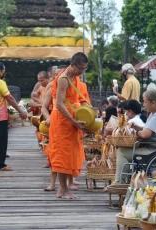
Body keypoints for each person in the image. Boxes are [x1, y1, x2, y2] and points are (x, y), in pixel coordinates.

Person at [49, 52, 88, 199]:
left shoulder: (75, 78)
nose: (81, 71)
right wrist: (73, 120)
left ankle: (64, 188)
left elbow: (77, 98)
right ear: (72, 65)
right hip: (62, 121)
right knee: (62, 155)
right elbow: (59, 104)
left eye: (84, 69)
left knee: (70, 154)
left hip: (72, 120)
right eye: (80, 68)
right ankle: (62, 190)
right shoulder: (64, 79)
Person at [0, 62, 27, 171]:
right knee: (1, 141)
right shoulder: (0, 82)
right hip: (0, 116)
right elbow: (10, 98)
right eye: (3, 71)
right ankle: (1, 164)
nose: (3, 73)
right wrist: (20, 111)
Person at [114, 100, 147, 183]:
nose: (125, 114)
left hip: (143, 149)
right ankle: (120, 180)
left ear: (130, 111)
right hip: (145, 146)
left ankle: (119, 181)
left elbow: (124, 136)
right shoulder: (142, 118)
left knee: (121, 151)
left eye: (126, 112)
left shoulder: (133, 121)